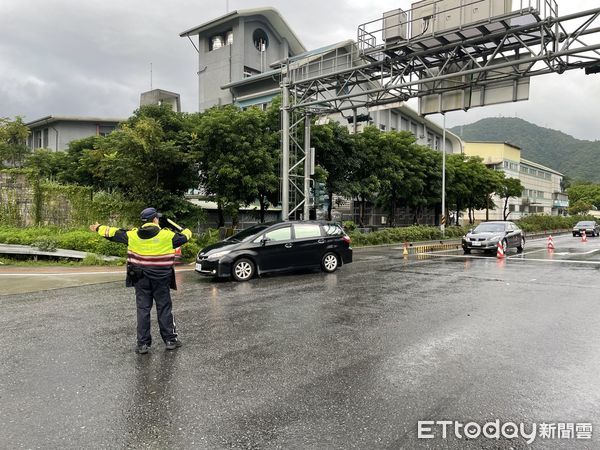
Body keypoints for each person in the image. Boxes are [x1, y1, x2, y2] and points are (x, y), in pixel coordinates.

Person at [89, 207, 192, 354]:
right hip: (161, 278)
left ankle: (143, 344)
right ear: (155, 219)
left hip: (140, 278)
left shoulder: (132, 235)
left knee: (143, 309)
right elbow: (185, 236)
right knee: (164, 307)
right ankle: (170, 340)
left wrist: (98, 227)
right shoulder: (167, 236)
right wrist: (187, 230)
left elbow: (112, 233)